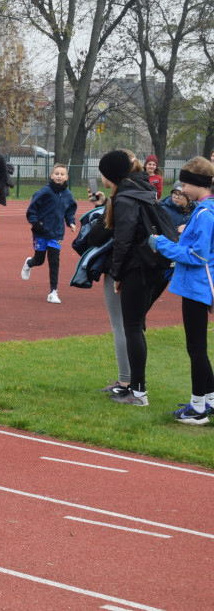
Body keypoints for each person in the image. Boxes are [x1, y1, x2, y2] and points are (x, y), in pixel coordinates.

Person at [99, 149, 167, 407]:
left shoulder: (125, 198)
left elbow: (123, 240)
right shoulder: (141, 191)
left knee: (133, 328)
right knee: (135, 326)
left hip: (137, 268)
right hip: (149, 265)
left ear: (110, 174)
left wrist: (117, 274)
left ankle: (137, 393)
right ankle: (134, 388)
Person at [151, 157, 214, 424]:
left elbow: (198, 255)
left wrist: (161, 244)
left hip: (198, 287)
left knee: (196, 348)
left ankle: (198, 409)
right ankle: (208, 401)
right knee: (198, 348)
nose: (182, 189)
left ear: (198, 184)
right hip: (198, 285)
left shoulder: (204, 213)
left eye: (186, 183)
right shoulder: (204, 210)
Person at [21, 164, 77, 304]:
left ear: (66, 177)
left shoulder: (68, 195)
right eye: (56, 173)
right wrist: (35, 222)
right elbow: (32, 208)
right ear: (51, 175)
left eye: (62, 174)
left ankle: (53, 291)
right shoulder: (44, 192)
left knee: (54, 261)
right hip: (41, 232)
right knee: (39, 260)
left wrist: (71, 222)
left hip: (56, 234)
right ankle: (29, 263)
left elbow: (70, 210)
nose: (59, 176)